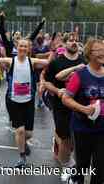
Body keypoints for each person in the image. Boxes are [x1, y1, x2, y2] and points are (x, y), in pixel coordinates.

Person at [0, 39, 49, 168]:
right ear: (17, 47)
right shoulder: (11, 61)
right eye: (21, 46)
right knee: (20, 130)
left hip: (28, 101)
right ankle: (22, 157)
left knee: (28, 133)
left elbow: (48, 63)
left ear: (29, 48)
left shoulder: (32, 62)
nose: (23, 48)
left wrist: (54, 52)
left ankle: (23, 143)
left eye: (25, 46)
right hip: (13, 101)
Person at [43, 32, 85, 181]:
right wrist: (57, 91)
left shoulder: (84, 61)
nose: (74, 42)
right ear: (65, 44)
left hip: (80, 105)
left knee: (75, 140)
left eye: (76, 40)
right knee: (66, 138)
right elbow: (47, 82)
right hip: (61, 106)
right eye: (71, 40)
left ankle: (62, 149)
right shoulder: (56, 62)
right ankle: (66, 167)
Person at [62, 38, 104, 184]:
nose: (103, 53)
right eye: (99, 50)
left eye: (103, 49)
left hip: (102, 129)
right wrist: (83, 109)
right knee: (83, 166)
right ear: (89, 54)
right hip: (82, 128)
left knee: (100, 168)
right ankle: (74, 178)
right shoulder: (80, 75)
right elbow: (66, 98)